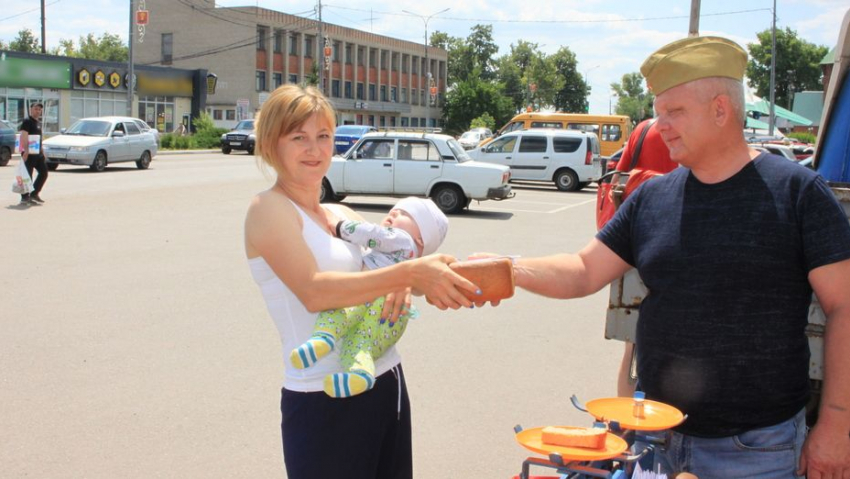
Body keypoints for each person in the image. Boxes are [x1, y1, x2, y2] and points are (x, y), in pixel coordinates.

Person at [478, 36, 850, 478]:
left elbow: (843, 306)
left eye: (675, 112)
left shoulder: (797, 193)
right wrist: (509, 269)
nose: (661, 127)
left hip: (755, 449)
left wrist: (837, 424)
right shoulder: (653, 196)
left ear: (720, 109)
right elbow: (583, 271)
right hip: (652, 440)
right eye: (658, 114)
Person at [244, 84, 478, 479]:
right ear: (272, 143)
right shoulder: (267, 209)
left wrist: (431, 276)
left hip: (385, 382)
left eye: (323, 136)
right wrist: (406, 274)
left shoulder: (339, 211)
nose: (314, 150)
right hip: (321, 398)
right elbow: (315, 291)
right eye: (298, 137)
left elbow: (396, 264)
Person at [290, 197, 449, 399]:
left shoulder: (401, 239)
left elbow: (370, 233)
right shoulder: (411, 259)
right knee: (360, 342)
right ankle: (360, 374)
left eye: (404, 214)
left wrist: (340, 227)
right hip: (393, 317)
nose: (393, 213)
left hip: (372, 296)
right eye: (393, 210)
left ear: (421, 239)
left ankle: (323, 338)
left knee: (341, 310)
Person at [611, 118, 679, 397]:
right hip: (681, 241)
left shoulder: (644, 129)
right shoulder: (697, 129)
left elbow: (618, 179)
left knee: (633, 343)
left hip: (639, 242)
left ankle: (625, 421)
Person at [18, 102, 47, 205]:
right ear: (31, 109)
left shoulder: (38, 122)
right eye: (36, 109)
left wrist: (42, 150)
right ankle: (25, 197)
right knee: (27, 176)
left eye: (39, 109)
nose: (38, 111)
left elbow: (38, 137)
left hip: (38, 153)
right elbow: (24, 135)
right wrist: (25, 150)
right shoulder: (27, 121)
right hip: (29, 153)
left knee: (44, 173)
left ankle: (34, 194)